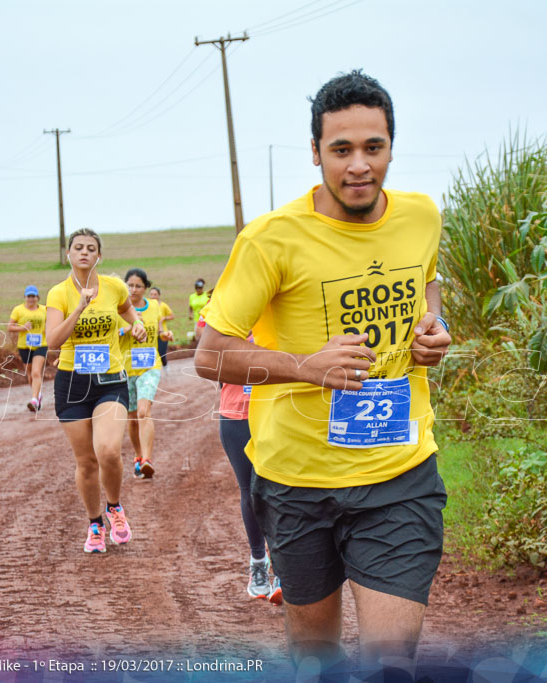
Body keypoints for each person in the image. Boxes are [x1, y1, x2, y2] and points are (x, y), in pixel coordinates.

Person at [194, 70, 451, 678]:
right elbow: (210, 354)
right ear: (315, 153)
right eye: (341, 150)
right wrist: (305, 368)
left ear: (391, 145)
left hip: (400, 471)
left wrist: (431, 327)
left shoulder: (420, 216)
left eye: (373, 147)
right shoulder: (271, 241)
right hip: (297, 482)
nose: (359, 166)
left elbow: (427, 281)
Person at [46, 228, 148, 554]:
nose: (85, 253)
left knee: (107, 450)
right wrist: (79, 307)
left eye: (91, 248)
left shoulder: (115, 286)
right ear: (69, 254)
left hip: (109, 380)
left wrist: (137, 323)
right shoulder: (58, 294)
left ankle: (115, 507)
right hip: (72, 383)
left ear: (99, 255)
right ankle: (94, 524)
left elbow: (125, 308)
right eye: (78, 248)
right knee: (87, 462)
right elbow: (53, 341)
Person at [217, 334, 281, 604]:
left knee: (280, 490)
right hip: (236, 414)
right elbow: (212, 363)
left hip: (278, 412)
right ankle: (258, 561)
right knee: (251, 492)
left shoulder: (279, 312)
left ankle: (281, 569)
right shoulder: (228, 317)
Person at [118, 268, 173, 480]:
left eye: (138, 286)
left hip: (150, 366)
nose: (133, 289)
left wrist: (165, 335)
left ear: (146, 288)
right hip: (125, 368)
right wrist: (126, 329)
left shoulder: (155, 308)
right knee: (132, 418)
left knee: (143, 411)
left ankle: (148, 459)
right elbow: (109, 336)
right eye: (130, 285)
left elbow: (158, 332)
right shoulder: (118, 309)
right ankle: (139, 457)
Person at [8, 285, 48, 412]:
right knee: (30, 373)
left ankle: (34, 399)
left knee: (36, 372)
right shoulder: (18, 310)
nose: (31, 299)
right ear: (25, 297)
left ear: (37, 297)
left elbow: (50, 324)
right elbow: (10, 327)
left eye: (33, 296)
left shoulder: (44, 310)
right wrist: (22, 328)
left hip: (41, 344)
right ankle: (38, 394)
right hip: (24, 346)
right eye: (29, 296)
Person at [148, 286, 174, 369]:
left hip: (163, 332)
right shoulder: (147, 306)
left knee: (162, 353)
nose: (153, 296)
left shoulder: (163, 306)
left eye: (155, 294)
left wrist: (164, 318)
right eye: (151, 294)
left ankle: (166, 368)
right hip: (152, 333)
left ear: (159, 295)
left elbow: (172, 316)